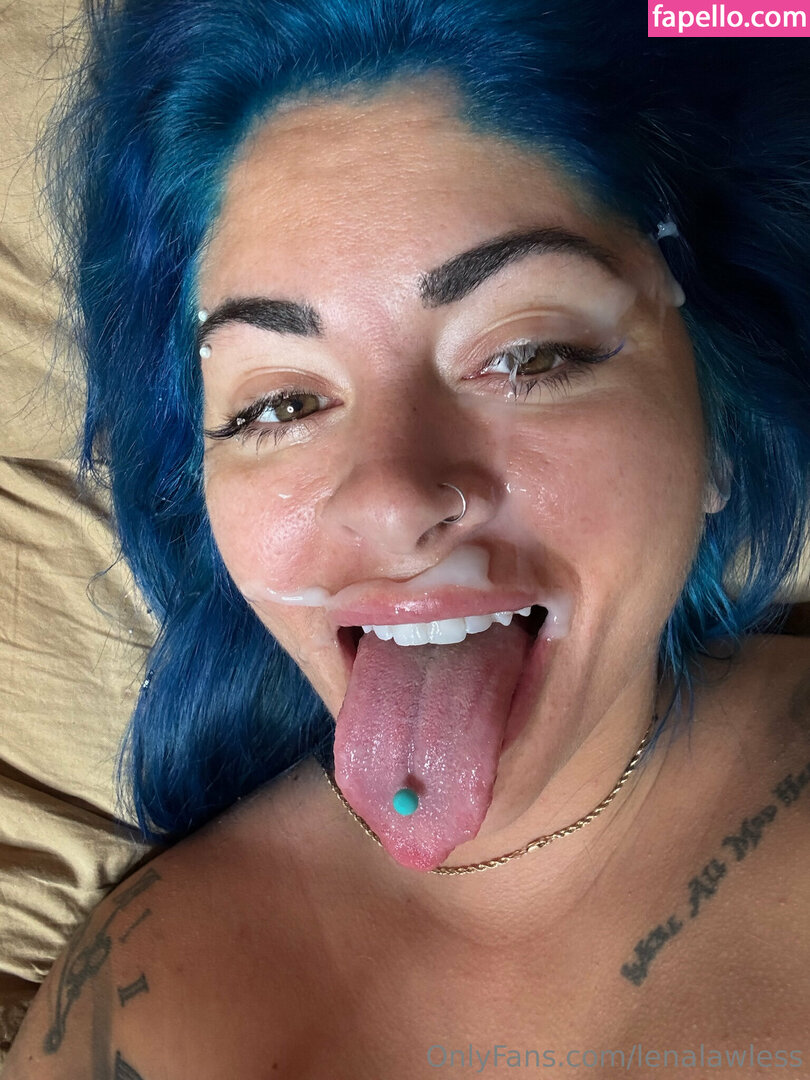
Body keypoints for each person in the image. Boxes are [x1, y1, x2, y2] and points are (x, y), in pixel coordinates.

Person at [5, 0, 810, 1076]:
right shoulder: (139, 1008)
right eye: (278, 405)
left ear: (717, 426)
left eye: (528, 354)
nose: (390, 500)